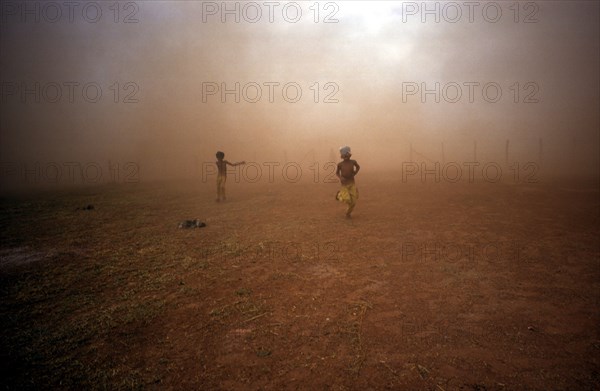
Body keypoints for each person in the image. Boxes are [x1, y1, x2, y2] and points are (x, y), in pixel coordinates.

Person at [335, 146, 360, 218]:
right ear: (342, 156)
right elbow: (337, 173)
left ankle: (348, 214)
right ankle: (339, 195)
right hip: (344, 185)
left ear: (349, 155)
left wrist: (355, 172)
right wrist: (340, 178)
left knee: (353, 202)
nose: (346, 157)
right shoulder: (340, 164)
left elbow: (358, 167)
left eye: (347, 155)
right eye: (344, 156)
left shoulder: (353, 162)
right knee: (347, 199)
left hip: (352, 183)